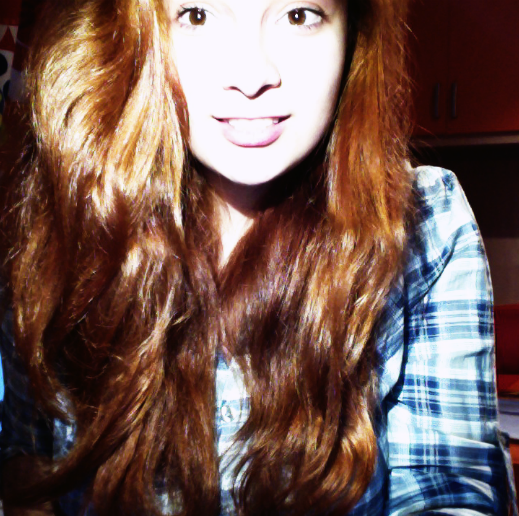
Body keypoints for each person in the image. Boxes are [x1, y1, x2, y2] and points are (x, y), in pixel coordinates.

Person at [0, 0, 515, 514]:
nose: (251, 77)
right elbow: (25, 466)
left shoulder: (422, 222)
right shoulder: (63, 218)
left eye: (299, 15)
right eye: (198, 15)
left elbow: (448, 490)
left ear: (353, 36)